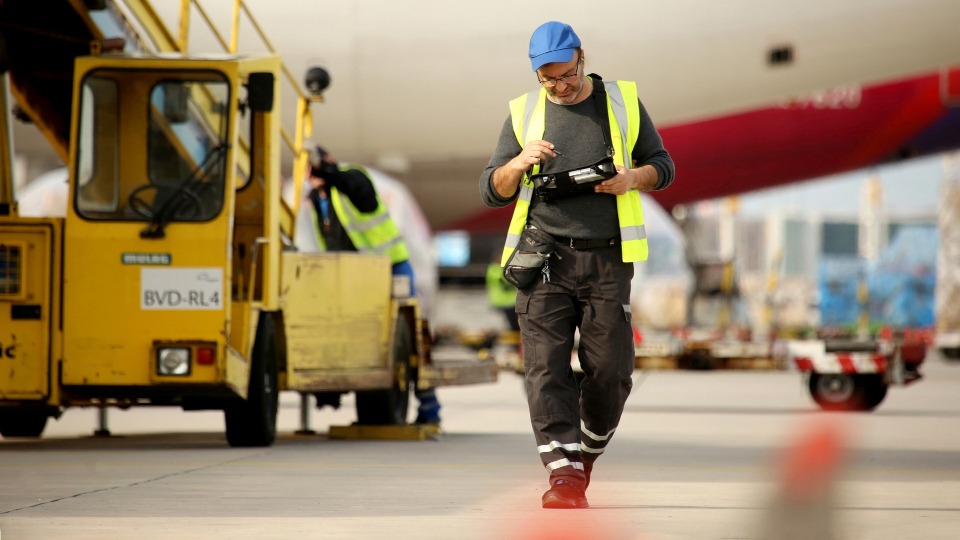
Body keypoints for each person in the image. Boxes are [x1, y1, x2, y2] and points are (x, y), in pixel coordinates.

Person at [478, 21, 675, 509]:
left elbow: (664, 167)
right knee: (545, 368)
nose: (560, 87)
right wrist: (518, 164)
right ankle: (561, 472)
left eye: (566, 75)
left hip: (608, 258)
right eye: (548, 79)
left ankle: (584, 452)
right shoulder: (524, 114)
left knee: (611, 371)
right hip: (543, 257)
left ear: (581, 58)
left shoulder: (623, 103)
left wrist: (633, 178)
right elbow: (491, 189)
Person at [304, 145, 441, 425]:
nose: (312, 176)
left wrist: (330, 172)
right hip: (356, 279)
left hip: (390, 267)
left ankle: (430, 411)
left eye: (315, 169)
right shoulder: (317, 199)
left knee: (411, 339)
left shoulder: (353, 180)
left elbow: (357, 189)